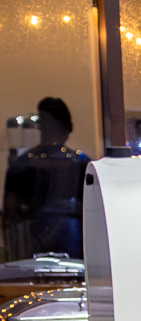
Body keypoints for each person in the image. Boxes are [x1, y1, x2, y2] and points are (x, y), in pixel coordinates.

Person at [3, 97, 89, 257]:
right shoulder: (81, 163)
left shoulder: (22, 164)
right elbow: (12, 215)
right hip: (38, 250)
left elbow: (12, 215)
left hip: (69, 251)